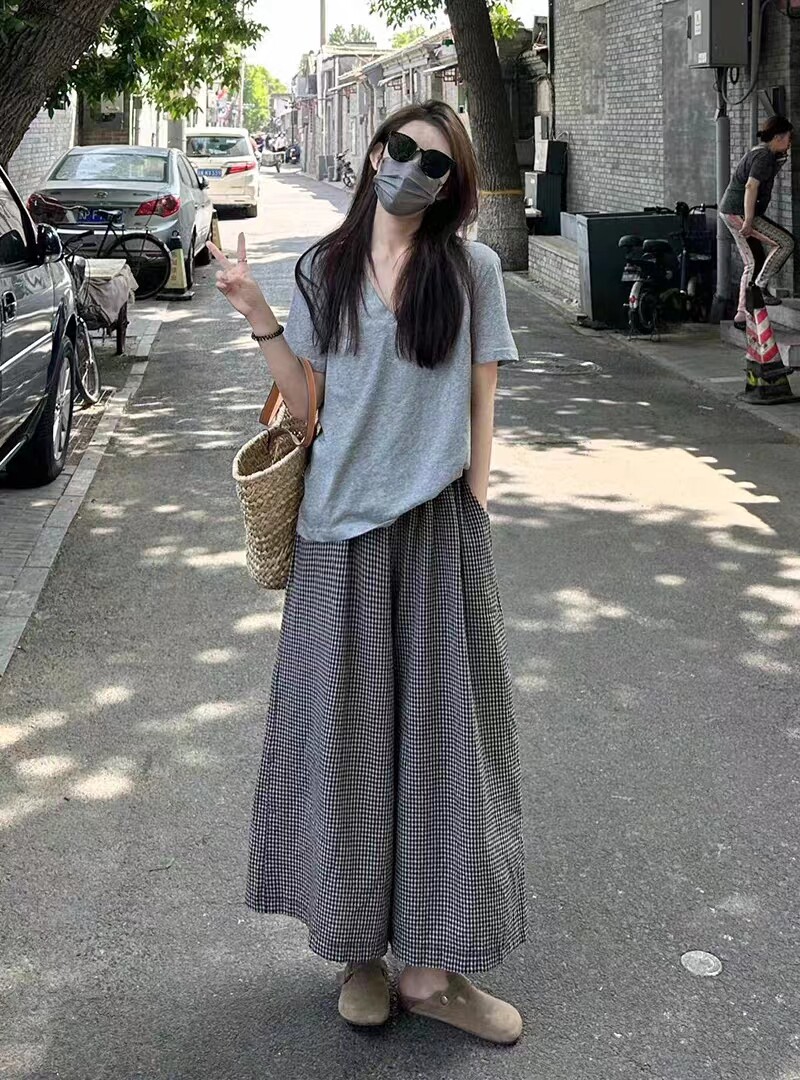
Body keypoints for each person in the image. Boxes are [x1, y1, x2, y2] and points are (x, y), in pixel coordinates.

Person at [208, 100, 526, 1045]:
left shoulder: (470, 271)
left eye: (435, 164)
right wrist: (259, 315)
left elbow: (482, 394)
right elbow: (306, 407)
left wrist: (476, 499)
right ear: (375, 152)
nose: (410, 171)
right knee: (346, 750)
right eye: (401, 150)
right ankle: (359, 954)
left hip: (436, 532)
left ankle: (429, 970)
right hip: (336, 539)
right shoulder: (325, 268)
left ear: (452, 186)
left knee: (442, 751)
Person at [719, 115, 794, 330]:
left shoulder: (761, 152)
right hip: (739, 212)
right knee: (786, 243)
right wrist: (749, 221)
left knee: (753, 261)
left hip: (731, 211)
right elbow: (751, 187)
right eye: (788, 138)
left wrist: (782, 158)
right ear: (778, 137)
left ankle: (742, 315)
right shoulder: (763, 157)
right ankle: (759, 287)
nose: (790, 142)